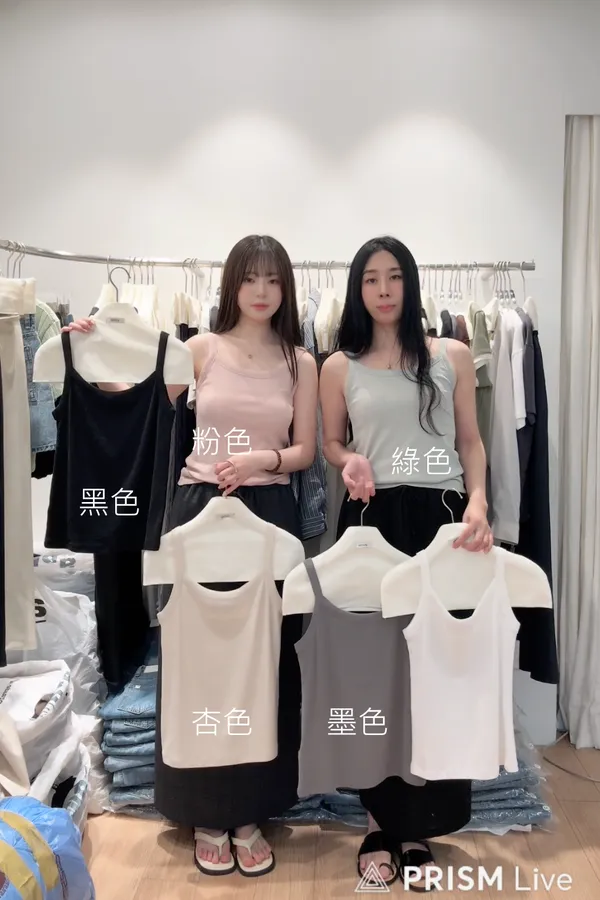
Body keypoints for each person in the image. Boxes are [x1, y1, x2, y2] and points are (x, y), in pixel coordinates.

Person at [65, 234, 318, 877]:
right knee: (198, 660)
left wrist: (261, 459)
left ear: (286, 288)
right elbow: (140, 407)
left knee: (266, 663)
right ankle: (205, 809)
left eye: (273, 279)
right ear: (232, 284)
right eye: (249, 278)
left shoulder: (300, 361)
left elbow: (305, 451)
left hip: (269, 514)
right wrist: (87, 353)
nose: (261, 291)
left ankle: (252, 808)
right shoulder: (200, 349)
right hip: (201, 512)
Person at [319, 235, 492, 889]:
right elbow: (332, 442)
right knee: (374, 676)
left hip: (443, 520)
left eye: (394, 277)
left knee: (436, 672)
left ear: (410, 283)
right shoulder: (339, 366)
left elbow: (470, 441)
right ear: (357, 290)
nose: (384, 289)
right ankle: (377, 821)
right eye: (371, 279)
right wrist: (349, 461)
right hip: (371, 519)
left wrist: (479, 502)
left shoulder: (452, 355)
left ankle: (418, 821)